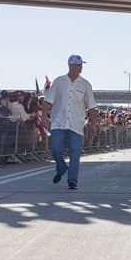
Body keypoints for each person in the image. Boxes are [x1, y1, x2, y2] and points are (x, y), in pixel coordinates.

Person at [42, 55, 96, 190]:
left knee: (75, 152)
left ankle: (72, 180)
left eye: (80, 66)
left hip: (76, 125)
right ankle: (61, 167)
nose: (80, 68)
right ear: (70, 66)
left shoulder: (85, 84)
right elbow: (47, 101)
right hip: (58, 122)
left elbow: (92, 107)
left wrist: (93, 124)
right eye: (78, 66)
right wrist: (44, 117)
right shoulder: (59, 81)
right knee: (55, 149)